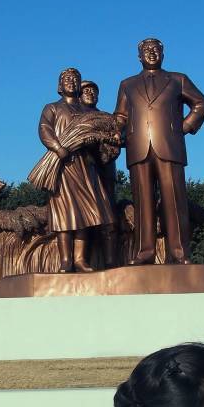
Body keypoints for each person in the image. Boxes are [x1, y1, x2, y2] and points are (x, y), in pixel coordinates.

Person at [114, 38, 204, 264]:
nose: (152, 53)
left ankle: (178, 252)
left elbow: (201, 103)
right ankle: (144, 252)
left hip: (170, 145)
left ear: (163, 54)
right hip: (138, 147)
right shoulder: (127, 84)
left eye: (156, 49)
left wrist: (183, 127)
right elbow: (121, 115)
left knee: (174, 201)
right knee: (143, 203)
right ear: (139, 56)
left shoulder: (178, 79)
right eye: (146, 50)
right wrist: (116, 129)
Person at [38, 68, 115, 272]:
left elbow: (98, 136)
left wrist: (92, 141)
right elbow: (44, 129)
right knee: (64, 213)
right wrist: (57, 147)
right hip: (62, 166)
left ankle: (80, 259)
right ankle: (65, 260)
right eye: (66, 79)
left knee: (84, 213)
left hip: (85, 165)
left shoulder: (87, 111)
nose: (71, 82)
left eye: (75, 79)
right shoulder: (52, 108)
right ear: (59, 86)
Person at [80, 79, 120, 268]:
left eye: (93, 91)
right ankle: (82, 261)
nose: (90, 93)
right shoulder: (75, 118)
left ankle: (111, 261)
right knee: (84, 220)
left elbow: (119, 139)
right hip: (82, 173)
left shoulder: (107, 117)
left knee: (109, 220)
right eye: (86, 90)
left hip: (105, 172)